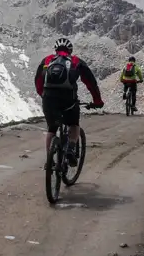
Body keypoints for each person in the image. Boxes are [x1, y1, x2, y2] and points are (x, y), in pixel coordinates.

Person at [35, 37, 104, 167]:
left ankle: (49, 161)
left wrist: (43, 95)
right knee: (73, 124)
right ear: (70, 50)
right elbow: (91, 82)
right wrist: (97, 100)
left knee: (52, 128)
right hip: (68, 99)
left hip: (49, 99)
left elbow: (38, 81)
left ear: (56, 50)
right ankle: (71, 149)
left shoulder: (47, 60)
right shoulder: (76, 61)